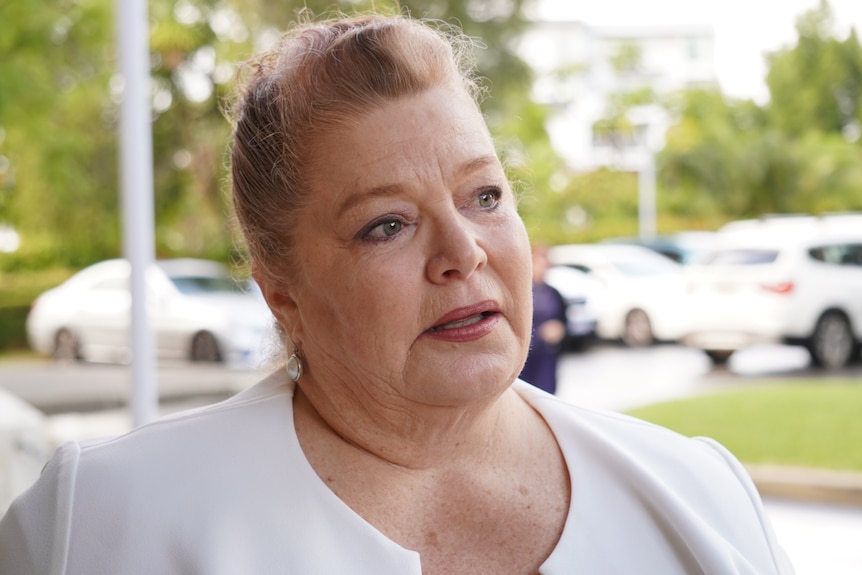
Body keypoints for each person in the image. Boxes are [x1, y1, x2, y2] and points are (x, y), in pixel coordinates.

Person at [0, 13, 794, 574]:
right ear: (282, 293)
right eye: (387, 225)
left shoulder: (698, 491)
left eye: (484, 196)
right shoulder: (99, 525)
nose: (463, 251)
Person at [520, 245, 567, 395]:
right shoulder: (522, 292)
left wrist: (559, 330)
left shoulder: (553, 293)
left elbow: (564, 322)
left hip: (546, 356)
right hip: (526, 357)